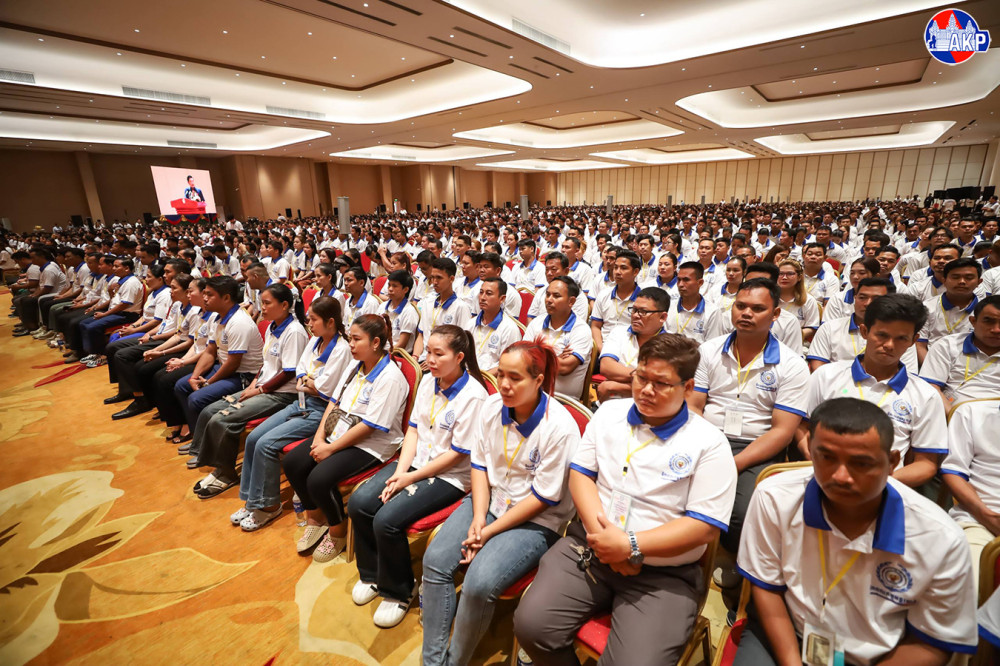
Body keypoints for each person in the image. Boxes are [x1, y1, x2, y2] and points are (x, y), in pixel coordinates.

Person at [515, 333, 737, 665]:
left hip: (662, 574)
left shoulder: (709, 442)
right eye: (641, 377)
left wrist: (629, 545)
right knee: (532, 626)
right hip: (590, 549)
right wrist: (605, 541)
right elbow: (581, 475)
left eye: (661, 384)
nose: (646, 390)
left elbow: (704, 527)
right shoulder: (609, 414)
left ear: (688, 387)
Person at [734, 398, 977, 666]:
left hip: (880, 656)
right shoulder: (775, 497)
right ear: (810, 449)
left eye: (861, 463)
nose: (841, 476)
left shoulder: (940, 538)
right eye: (827, 457)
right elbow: (767, 589)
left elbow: (931, 643)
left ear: (892, 462)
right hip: (788, 632)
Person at [421, 339, 579, 666]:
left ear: (538, 380)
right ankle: (433, 661)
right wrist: (479, 517)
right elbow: (479, 465)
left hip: (535, 520)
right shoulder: (492, 406)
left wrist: (487, 532)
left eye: (515, 378)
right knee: (435, 560)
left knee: (478, 583)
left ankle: (455, 662)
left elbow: (542, 498)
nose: (504, 384)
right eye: (502, 375)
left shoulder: (560, 428)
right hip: (489, 501)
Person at [348, 325, 488, 628]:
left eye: (439, 354)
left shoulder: (474, 396)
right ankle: (372, 574)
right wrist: (400, 472)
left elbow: (456, 455)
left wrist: (409, 480)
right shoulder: (428, 381)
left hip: (450, 476)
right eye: (429, 352)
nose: (430, 359)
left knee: (386, 520)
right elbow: (413, 430)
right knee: (360, 503)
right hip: (415, 463)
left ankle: (399, 590)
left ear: (459, 357)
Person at [688, 277, 809, 568]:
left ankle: (730, 560)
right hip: (707, 437)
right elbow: (693, 406)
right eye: (740, 306)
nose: (746, 313)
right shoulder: (709, 350)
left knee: (742, 514)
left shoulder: (792, 365)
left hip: (756, 447)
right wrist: (710, 450)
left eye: (757, 308)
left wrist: (732, 464)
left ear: (775, 314)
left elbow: (782, 432)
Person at [282, 314, 409, 563]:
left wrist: (330, 449)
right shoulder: (355, 365)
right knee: (293, 462)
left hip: (372, 444)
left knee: (319, 478)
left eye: (356, 339)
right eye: (350, 338)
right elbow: (334, 402)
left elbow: (370, 426)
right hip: (339, 432)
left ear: (375, 343)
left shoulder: (391, 377)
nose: (350, 344)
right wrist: (320, 437)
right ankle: (315, 518)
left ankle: (337, 530)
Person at [233, 296, 353, 531]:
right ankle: (251, 501)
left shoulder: (341, 349)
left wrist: (307, 380)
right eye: (308, 318)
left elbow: (325, 389)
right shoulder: (315, 341)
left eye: (314, 319)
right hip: (302, 402)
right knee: (254, 437)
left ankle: (268, 506)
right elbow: (300, 370)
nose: (309, 324)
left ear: (330, 322)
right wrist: (309, 380)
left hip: (322, 410)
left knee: (267, 444)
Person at [802, 294, 945, 489]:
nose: (889, 345)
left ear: (913, 340)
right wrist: (819, 462)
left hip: (886, 485)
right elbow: (802, 428)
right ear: (864, 331)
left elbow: (926, 464)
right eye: (882, 335)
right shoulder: (826, 376)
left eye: (901, 338)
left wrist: (874, 482)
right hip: (823, 476)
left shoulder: (926, 395)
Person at [189, 283, 308, 496]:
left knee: (222, 419)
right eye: (262, 303)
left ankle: (225, 474)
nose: (263, 307)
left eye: (267, 303)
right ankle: (217, 466)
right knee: (210, 410)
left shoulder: (295, 332)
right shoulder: (272, 326)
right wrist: (254, 382)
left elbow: (289, 372)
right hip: (263, 386)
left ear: (284, 305)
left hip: (283, 394)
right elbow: (267, 363)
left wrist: (259, 390)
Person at [173, 276, 264, 453]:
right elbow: (210, 351)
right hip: (225, 367)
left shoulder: (239, 322)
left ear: (226, 298)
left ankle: (206, 446)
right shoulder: (216, 317)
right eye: (204, 293)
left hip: (244, 376)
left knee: (197, 398)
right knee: (182, 386)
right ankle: (197, 435)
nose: (205, 298)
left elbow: (233, 364)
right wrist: (194, 377)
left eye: (209, 294)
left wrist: (208, 382)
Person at [105, 272, 194, 419]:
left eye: (174, 288)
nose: (170, 290)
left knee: (135, 363)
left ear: (187, 291)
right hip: (168, 339)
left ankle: (144, 400)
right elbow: (173, 330)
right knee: (121, 351)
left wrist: (158, 347)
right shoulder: (177, 304)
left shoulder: (193, 310)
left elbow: (185, 339)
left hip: (178, 345)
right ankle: (133, 393)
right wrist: (153, 343)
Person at [940, 400, 1000, 589]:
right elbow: (953, 472)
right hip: (978, 522)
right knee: (969, 589)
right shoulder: (970, 413)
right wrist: (988, 516)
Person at [919, 295, 1000, 408]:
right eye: (988, 321)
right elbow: (931, 386)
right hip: (952, 412)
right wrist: (953, 415)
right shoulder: (947, 346)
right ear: (973, 321)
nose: (996, 329)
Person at [524, 276, 592, 399]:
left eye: (556, 296)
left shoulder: (581, 329)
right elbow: (522, 357)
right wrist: (555, 358)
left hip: (562, 399)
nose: (549, 300)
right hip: (532, 393)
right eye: (547, 295)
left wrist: (537, 355)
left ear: (571, 301)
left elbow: (565, 367)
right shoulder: (536, 323)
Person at [597, 287, 670, 401]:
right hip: (611, 403)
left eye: (643, 312)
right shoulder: (619, 332)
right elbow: (606, 367)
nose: (636, 315)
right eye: (634, 310)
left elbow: (662, 386)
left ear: (662, 317)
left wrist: (614, 386)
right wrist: (642, 377)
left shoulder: (671, 345)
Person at [915, 257, 982, 363]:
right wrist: (932, 369)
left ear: (979, 282)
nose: (962, 282)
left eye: (969, 278)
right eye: (955, 277)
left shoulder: (986, 310)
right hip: (931, 362)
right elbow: (920, 345)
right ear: (944, 280)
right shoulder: (926, 307)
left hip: (972, 366)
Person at [413, 258, 471, 364]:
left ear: (451, 279)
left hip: (445, 362)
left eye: (439, 278)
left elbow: (463, 344)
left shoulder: (461, 307)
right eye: (432, 277)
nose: (434, 282)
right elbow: (421, 335)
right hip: (423, 359)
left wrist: (435, 359)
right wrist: (415, 357)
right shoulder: (427, 302)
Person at [465, 277, 522, 375]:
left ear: (502, 299)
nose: (482, 297)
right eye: (481, 292)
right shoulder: (470, 324)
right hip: (468, 375)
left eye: (489, 293)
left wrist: (481, 378)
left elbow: (508, 364)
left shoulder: (510, 328)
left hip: (492, 379)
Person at [590, 250, 641, 349]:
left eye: (623, 268)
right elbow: (596, 326)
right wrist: (601, 349)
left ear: (635, 272)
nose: (617, 272)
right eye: (615, 267)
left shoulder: (643, 299)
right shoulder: (603, 295)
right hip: (604, 346)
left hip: (631, 349)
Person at [666, 261, 715, 343]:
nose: (680, 284)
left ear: (700, 283)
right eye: (678, 280)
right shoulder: (669, 306)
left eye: (686, 280)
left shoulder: (712, 312)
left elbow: (713, 345)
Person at [776, 259, 820, 345]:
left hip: (797, 342)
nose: (784, 277)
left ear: (799, 277)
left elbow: (812, 328)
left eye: (790, 274)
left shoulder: (809, 300)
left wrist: (793, 335)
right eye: (780, 274)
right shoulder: (769, 297)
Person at [380, 269, 419, 353]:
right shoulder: (382, 306)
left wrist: (381, 354)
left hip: (397, 354)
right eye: (389, 285)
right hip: (380, 350)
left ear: (405, 289)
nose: (390, 289)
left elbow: (401, 344)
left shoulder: (409, 311)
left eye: (394, 286)